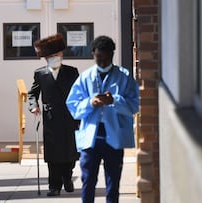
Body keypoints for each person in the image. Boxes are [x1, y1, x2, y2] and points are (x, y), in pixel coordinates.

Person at [66, 35, 139, 203]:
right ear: (93, 54)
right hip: (91, 139)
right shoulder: (85, 78)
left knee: (113, 184)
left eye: (107, 58)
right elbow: (72, 105)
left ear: (112, 55)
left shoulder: (124, 76)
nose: (103, 62)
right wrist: (90, 102)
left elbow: (134, 105)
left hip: (114, 138)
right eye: (99, 58)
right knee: (88, 181)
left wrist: (115, 100)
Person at [28, 33, 79, 197]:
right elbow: (32, 94)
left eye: (58, 54)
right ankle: (54, 186)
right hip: (51, 118)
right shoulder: (40, 74)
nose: (56, 57)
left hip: (69, 117)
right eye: (52, 55)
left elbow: (80, 92)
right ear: (46, 58)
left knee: (70, 152)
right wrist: (33, 106)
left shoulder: (72, 72)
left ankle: (67, 176)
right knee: (52, 154)